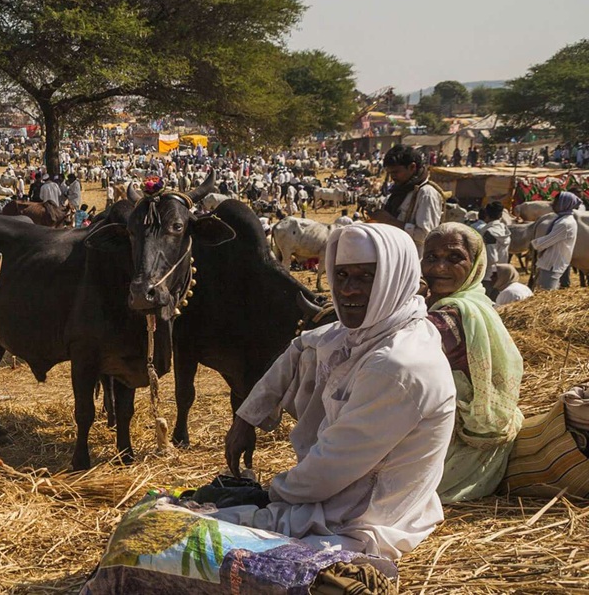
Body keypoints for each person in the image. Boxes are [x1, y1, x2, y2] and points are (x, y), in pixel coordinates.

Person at [222, 223, 455, 560]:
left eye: (366, 277)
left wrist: (267, 495)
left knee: (190, 532)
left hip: (360, 514)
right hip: (339, 494)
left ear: (395, 279)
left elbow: (330, 469)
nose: (348, 290)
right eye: (342, 275)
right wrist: (247, 418)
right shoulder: (369, 331)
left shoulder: (398, 364)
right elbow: (302, 346)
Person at [421, 223, 524, 502]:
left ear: (475, 264)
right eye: (431, 257)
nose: (439, 267)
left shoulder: (452, 315)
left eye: (454, 258)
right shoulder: (477, 300)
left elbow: (402, 349)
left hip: (461, 450)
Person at [372, 145, 443, 256]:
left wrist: (389, 221)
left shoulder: (426, 194)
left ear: (412, 167)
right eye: (390, 173)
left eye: (396, 172)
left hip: (414, 259)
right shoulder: (401, 190)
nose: (392, 177)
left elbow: (426, 235)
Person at [531, 191, 579, 291]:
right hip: (549, 263)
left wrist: (532, 243)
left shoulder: (565, 224)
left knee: (545, 292)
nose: (553, 204)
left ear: (564, 204)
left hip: (552, 265)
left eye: (556, 202)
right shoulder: (561, 219)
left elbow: (547, 241)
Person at [480, 201, 510, 295]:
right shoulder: (504, 230)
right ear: (500, 215)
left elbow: (492, 257)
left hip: (489, 275)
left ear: (486, 215)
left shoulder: (489, 232)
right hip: (502, 273)